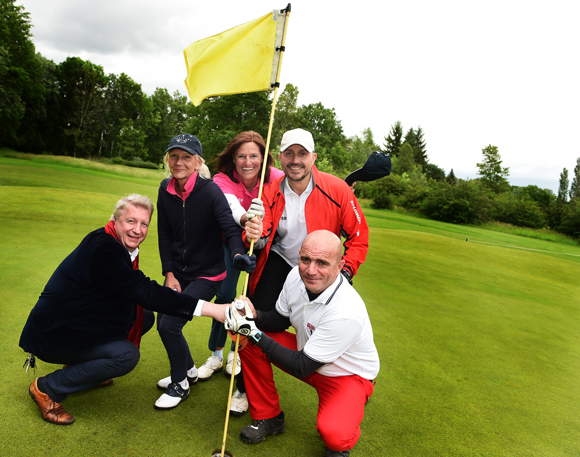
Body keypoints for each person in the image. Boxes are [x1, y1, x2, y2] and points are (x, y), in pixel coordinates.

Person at [19, 194, 228, 425]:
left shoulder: (111, 239)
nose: (137, 230)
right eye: (131, 221)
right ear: (116, 220)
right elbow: (145, 291)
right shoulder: (104, 249)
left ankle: (86, 369)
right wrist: (212, 309)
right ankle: (47, 388)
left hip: (75, 321)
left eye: (144, 224)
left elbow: (134, 293)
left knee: (143, 316)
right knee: (126, 356)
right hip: (53, 335)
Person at [225, 230, 380, 457]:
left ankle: (349, 416)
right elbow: (279, 319)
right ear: (299, 255)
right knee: (247, 340)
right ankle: (269, 416)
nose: (310, 270)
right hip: (306, 352)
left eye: (322, 263)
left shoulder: (347, 311)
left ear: (340, 265)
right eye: (305, 259)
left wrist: (255, 332)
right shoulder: (294, 276)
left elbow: (300, 366)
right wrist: (253, 314)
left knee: (335, 435)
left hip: (347, 375)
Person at [155, 133, 257, 410]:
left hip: (209, 274)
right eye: (174, 156)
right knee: (162, 321)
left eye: (186, 157)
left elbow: (230, 228)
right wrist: (169, 273)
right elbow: (164, 235)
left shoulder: (211, 191)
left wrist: (237, 254)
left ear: (198, 162)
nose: (179, 162)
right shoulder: (165, 190)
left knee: (170, 324)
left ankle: (181, 385)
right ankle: (188, 370)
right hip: (180, 273)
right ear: (168, 160)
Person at [194, 131, 284, 413]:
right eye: (242, 155)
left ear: (263, 158)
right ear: (233, 157)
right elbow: (232, 209)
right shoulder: (222, 180)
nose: (248, 161)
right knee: (227, 297)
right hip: (229, 244)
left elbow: (302, 179)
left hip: (265, 246)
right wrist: (247, 217)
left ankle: (237, 352)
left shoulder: (275, 177)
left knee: (252, 303)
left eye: (254, 156)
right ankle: (216, 354)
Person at [246, 127, 369, 313]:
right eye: (289, 154)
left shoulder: (339, 190)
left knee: (318, 328)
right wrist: (252, 233)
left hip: (321, 268)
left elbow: (359, 238)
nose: (295, 160)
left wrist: (344, 271)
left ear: (313, 157)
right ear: (280, 158)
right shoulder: (269, 191)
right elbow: (261, 233)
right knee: (258, 318)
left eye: (302, 154)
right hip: (280, 261)